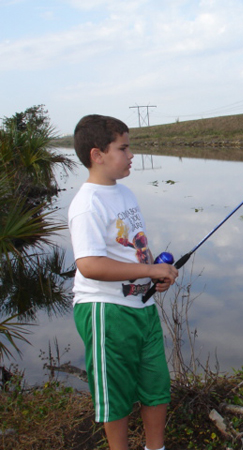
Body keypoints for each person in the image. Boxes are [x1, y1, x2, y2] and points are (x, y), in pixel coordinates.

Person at [68, 114, 179, 450]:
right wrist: (148, 273)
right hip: (106, 311)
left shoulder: (125, 193)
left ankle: (155, 448)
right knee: (114, 395)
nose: (131, 155)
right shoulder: (87, 204)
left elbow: (134, 248)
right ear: (96, 155)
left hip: (139, 306)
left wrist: (157, 274)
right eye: (123, 148)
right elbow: (89, 265)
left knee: (156, 385)